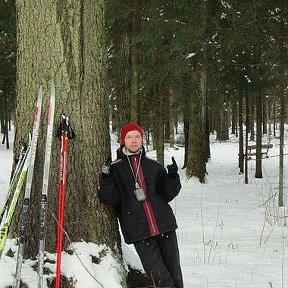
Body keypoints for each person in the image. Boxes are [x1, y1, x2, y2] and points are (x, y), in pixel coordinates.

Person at [98, 122, 184, 288]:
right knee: (160, 277)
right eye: (129, 137)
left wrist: (173, 178)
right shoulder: (116, 169)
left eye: (137, 136)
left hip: (165, 226)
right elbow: (110, 198)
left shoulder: (153, 165)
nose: (134, 140)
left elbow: (167, 194)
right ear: (123, 141)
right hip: (139, 231)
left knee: (175, 273)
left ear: (142, 139)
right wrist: (106, 178)